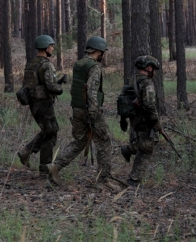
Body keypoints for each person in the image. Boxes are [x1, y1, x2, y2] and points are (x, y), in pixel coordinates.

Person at [47, 36, 119, 190]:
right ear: (98, 51)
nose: (103, 55)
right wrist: (94, 114)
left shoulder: (79, 64)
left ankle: (55, 166)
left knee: (80, 141)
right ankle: (103, 180)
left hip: (77, 108)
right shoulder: (94, 67)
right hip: (90, 110)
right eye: (102, 52)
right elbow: (92, 91)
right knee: (104, 142)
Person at [17, 35, 67, 173]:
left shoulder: (31, 64)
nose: (52, 48)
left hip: (34, 104)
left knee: (49, 132)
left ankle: (44, 168)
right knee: (51, 131)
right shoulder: (46, 65)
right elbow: (51, 86)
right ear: (46, 48)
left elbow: (32, 84)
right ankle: (29, 153)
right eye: (51, 46)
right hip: (44, 104)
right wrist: (60, 88)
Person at [120, 55, 162, 187]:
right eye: (153, 69)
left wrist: (123, 119)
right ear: (149, 68)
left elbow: (122, 100)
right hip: (145, 119)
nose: (154, 72)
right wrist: (156, 122)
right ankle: (129, 150)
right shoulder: (146, 82)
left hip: (134, 119)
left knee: (145, 148)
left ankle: (134, 179)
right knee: (148, 145)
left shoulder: (131, 80)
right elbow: (150, 105)